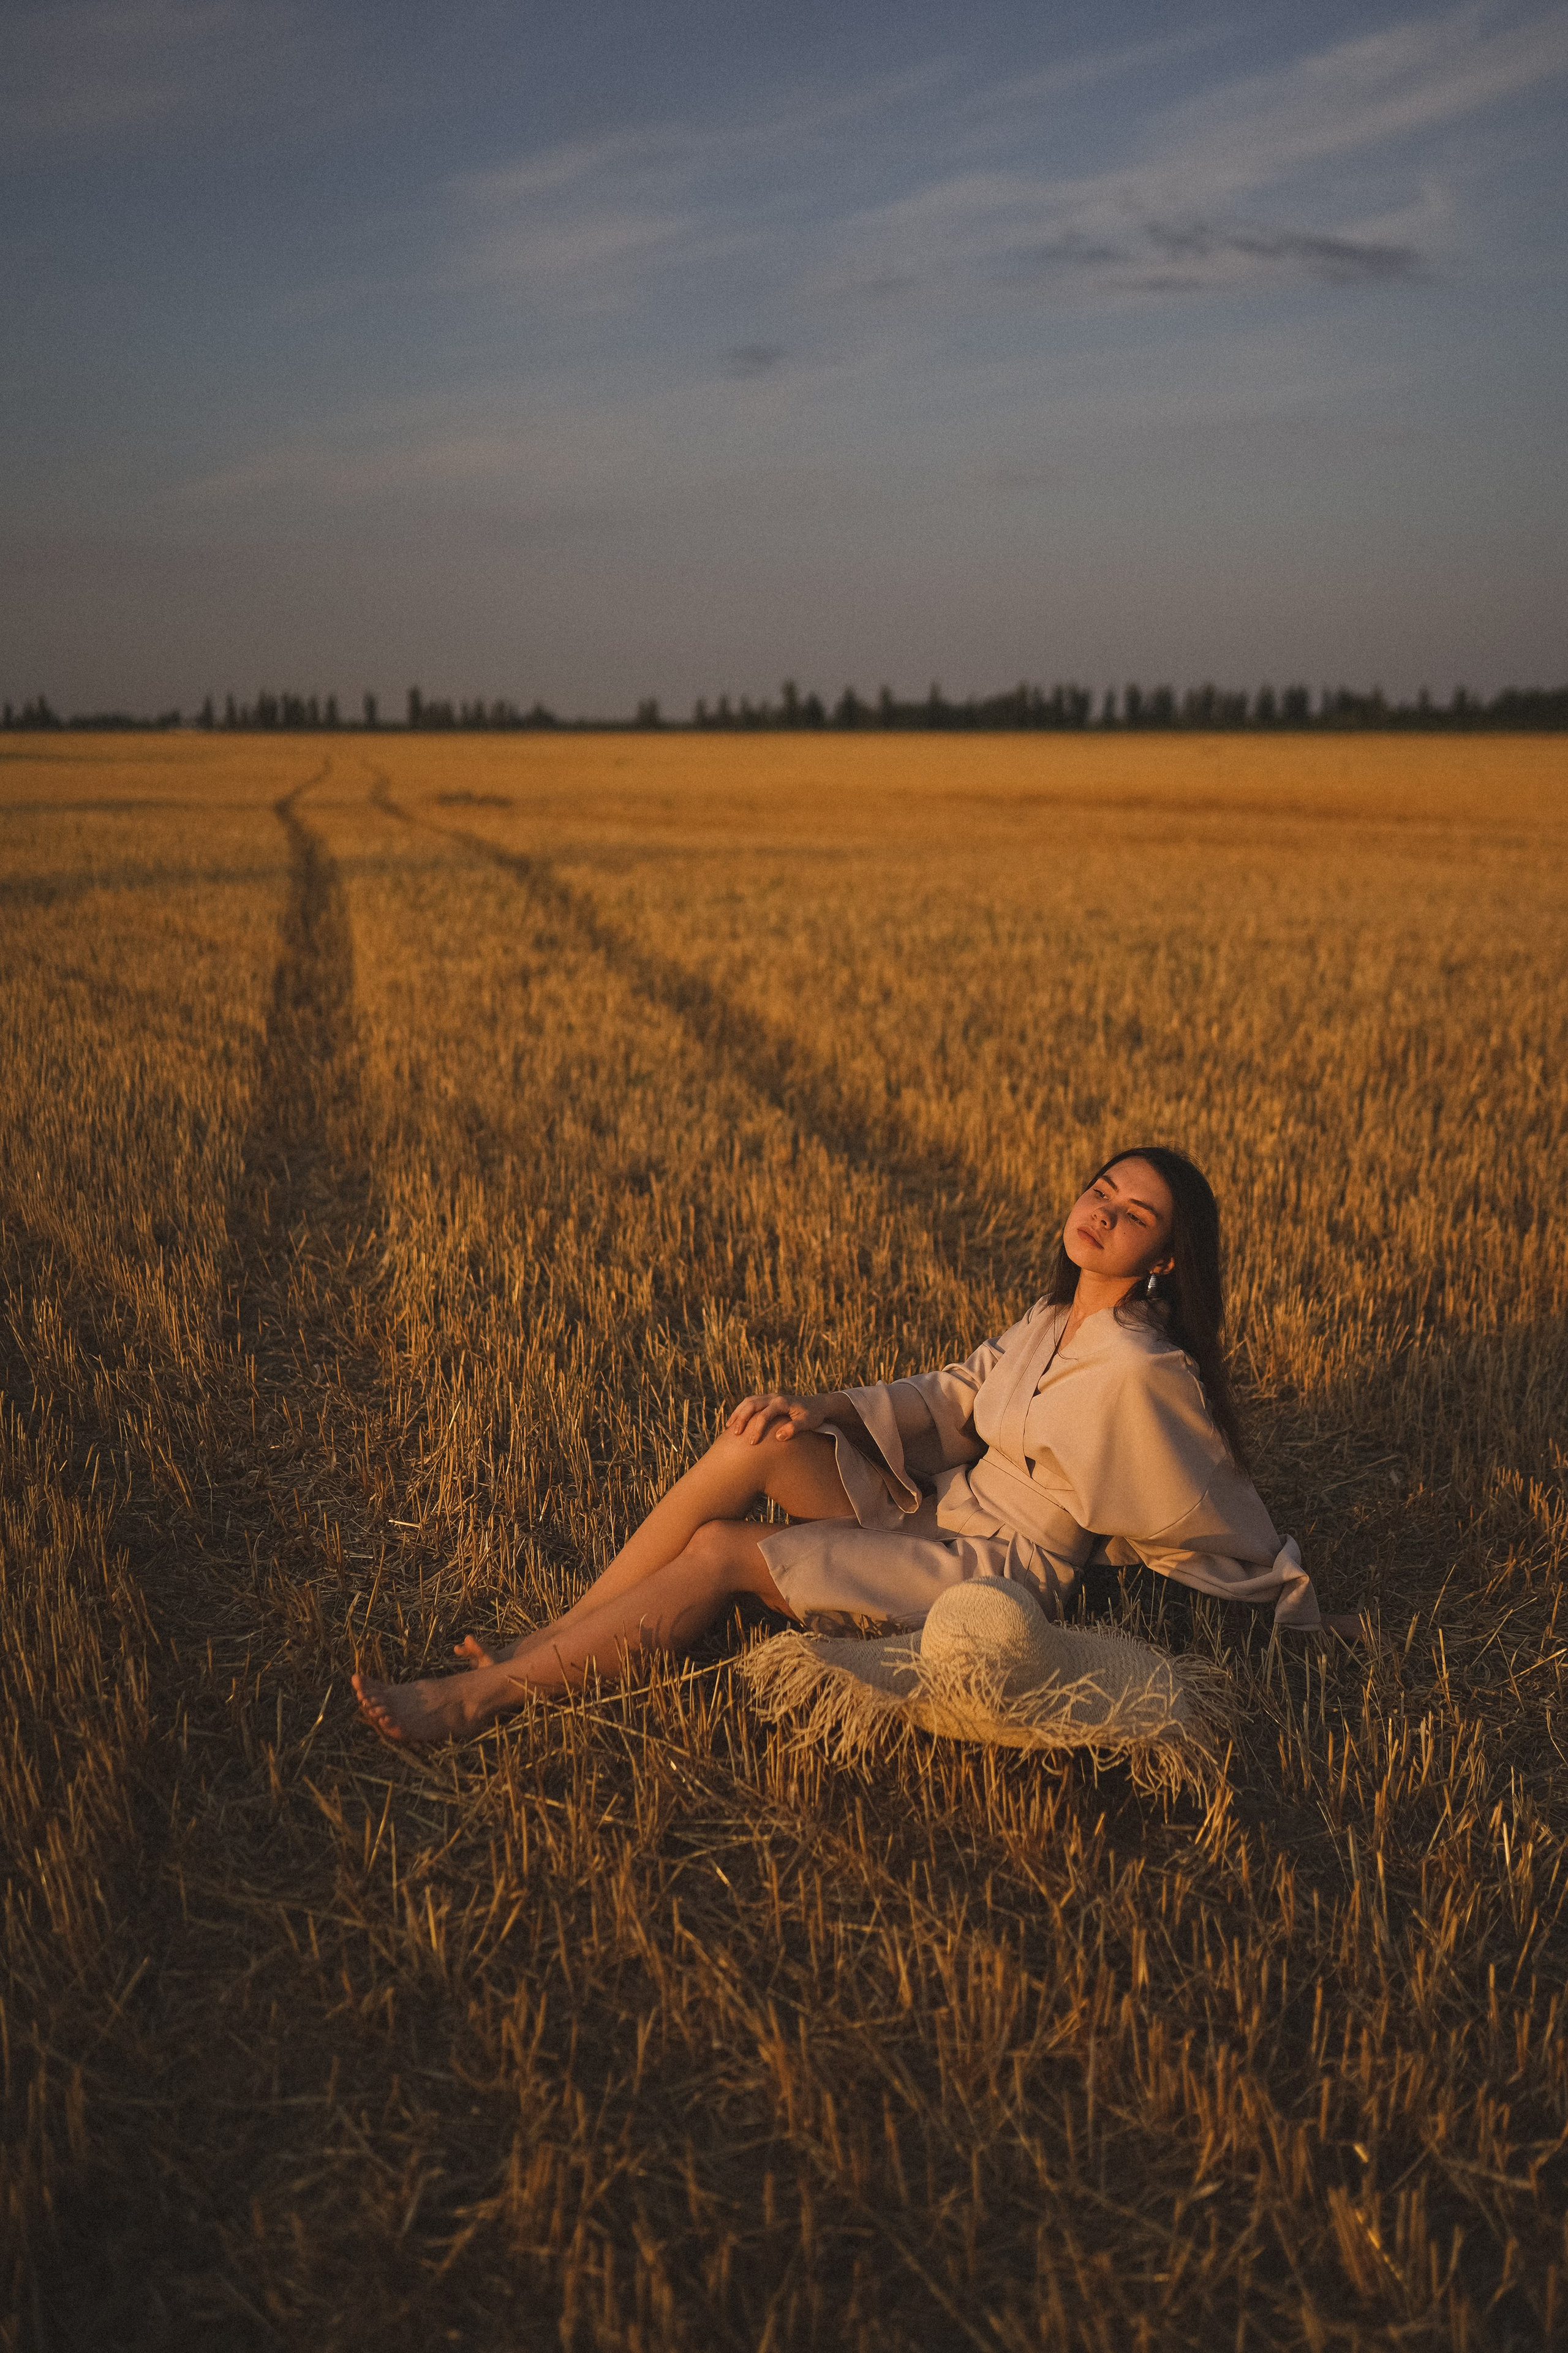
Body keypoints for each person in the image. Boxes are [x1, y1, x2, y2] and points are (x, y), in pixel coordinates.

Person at [353, 1145, 1357, 1745]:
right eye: (1101, 1187)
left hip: (991, 1562)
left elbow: (1206, 1503)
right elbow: (959, 1395)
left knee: (722, 1552)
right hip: (944, 1498)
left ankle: (477, 1697)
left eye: (1133, 1212)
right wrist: (826, 1406)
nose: (1101, 1210)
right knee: (753, 1441)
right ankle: (553, 1636)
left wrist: (1294, 1604)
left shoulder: (1144, 1372)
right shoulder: (1058, 1319)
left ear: (1166, 1258)